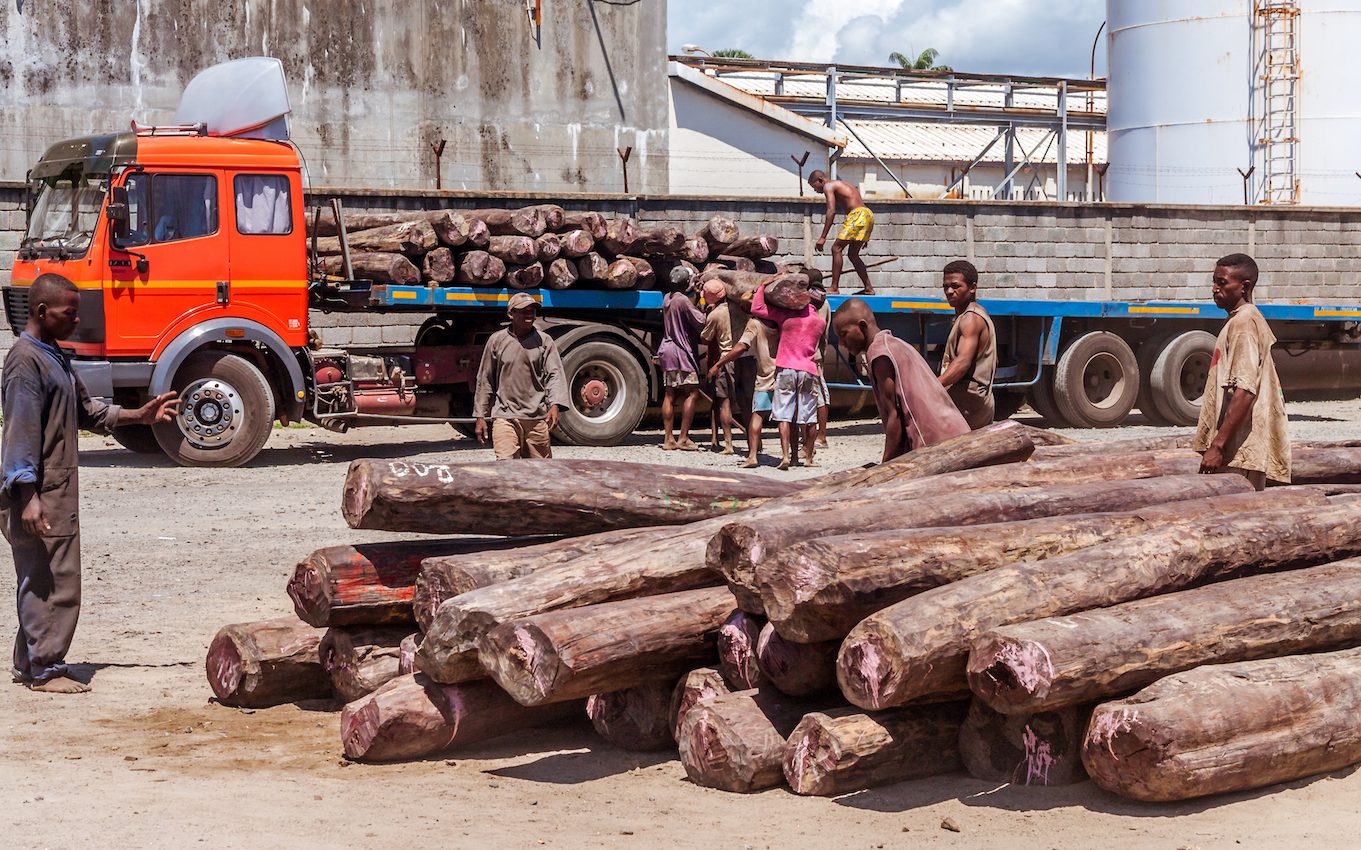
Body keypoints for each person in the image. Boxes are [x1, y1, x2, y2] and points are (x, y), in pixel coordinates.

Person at [2, 274, 179, 693]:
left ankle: (30, 662)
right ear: (42, 313)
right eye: (69, 313)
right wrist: (28, 496)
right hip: (40, 491)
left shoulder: (53, 355)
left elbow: (87, 410)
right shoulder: (26, 361)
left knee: (43, 573)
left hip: (53, 487)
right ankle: (43, 670)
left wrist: (140, 416)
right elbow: (20, 433)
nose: (76, 320)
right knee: (52, 578)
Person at [1193, 253, 1290, 490]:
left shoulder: (1243, 323)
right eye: (1214, 282)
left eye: (1222, 283)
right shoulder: (1241, 319)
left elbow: (1245, 390)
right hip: (1237, 448)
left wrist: (1218, 446)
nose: (1214, 289)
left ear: (1244, 287)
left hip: (1240, 450)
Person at [832, 298, 969, 462]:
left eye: (843, 334)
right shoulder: (895, 344)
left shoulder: (879, 355)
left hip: (937, 444)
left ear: (862, 326)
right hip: (954, 433)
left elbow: (894, 418)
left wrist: (885, 466)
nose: (841, 343)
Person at [473, 292, 569, 460]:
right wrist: (480, 415)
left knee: (541, 473)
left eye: (532, 311)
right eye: (523, 311)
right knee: (507, 468)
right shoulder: (497, 341)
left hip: (536, 418)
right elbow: (485, 379)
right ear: (511, 314)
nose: (529, 315)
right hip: (505, 417)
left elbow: (554, 375)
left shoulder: (544, 341)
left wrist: (555, 404)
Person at [750, 283, 826, 470]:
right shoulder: (820, 323)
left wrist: (762, 286)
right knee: (809, 417)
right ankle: (807, 458)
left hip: (786, 368)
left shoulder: (786, 316)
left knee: (784, 415)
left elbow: (756, 308)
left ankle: (785, 457)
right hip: (809, 370)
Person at [709, 312, 779, 469]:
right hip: (767, 365)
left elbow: (706, 337)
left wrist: (718, 364)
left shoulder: (720, 314)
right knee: (782, 415)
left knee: (730, 403)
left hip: (735, 359)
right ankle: (789, 455)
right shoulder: (778, 319)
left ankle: (734, 446)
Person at [937, 260, 997, 429]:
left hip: (968, 404)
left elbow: (963, 362)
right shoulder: (970, 314)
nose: (949, 291)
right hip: (970, 402)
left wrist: (932, 387)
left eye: (956, 286)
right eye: (945, 287)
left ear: (972, 288)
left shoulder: (971, 318)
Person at [699, 279, 750, 455]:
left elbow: (705, 339)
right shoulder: (740, 308)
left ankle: (728, 444)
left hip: (726, 359)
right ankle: (754, 444)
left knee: (724, 402)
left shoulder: (715, 315)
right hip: (747, 357)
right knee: (746, 403)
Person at [809, 170, 875, 295]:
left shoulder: (828, 186)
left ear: (820, 181)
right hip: (867, 215)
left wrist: (823, 237)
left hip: (858, 215)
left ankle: (834, 288)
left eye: (814, 186)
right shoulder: (842, 184)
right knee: (853, 255)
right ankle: (869, 288)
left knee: (836, 248)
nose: (815, 190)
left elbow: (831, 210)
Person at [658, 283, 707, 450]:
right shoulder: (683, 300)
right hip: (682, 352)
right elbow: (701, 320)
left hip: (667, 349)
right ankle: (684, 437)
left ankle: (668, 438)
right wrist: (701, 300)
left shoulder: (667, 298)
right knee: (692, 392)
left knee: (669, 394)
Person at [811, 282, 832, 448]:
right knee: (818, 398)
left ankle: (821, 437)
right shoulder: (824, 304)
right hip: (815, 358)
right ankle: (819, 436)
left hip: (809, 359)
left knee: (818, 398)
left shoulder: (806, 307)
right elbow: (825, 337)